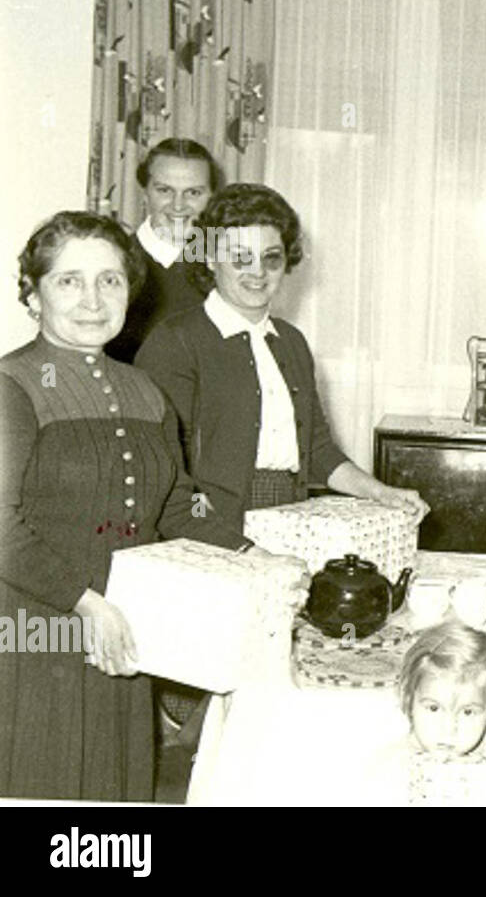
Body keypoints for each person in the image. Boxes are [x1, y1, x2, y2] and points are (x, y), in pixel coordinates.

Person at [0, 211, 291, 801]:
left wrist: (258, 558)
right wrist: (84, 605)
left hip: (126, 628)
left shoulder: (144, 391)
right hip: (35, 633)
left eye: (109, 280)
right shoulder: (13, 385)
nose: (92, 299)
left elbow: (180, 510)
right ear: (33, 293)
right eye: (69, 280)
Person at [135, 184, 429, 537]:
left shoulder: (290, 342)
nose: (257, 272)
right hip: (206, 523)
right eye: (240, 256)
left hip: (288, 515)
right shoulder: (176, 341)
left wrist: (382, 492)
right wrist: (213, 533)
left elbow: (317, 450)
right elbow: (162, 465)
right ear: (211, 259)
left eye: (271, 257)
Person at [363, 619, 486, 806]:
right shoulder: (390, 771)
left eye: (467, 712)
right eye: (434, 708)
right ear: (409, 700)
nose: (449, 729)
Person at [106, 138, 223, 363]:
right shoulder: (113, 260)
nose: (178, 205)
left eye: (194, 193)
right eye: (164, 190)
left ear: (212, 198)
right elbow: (56, 362)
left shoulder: (225, 264)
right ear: (145, 193)